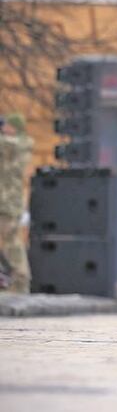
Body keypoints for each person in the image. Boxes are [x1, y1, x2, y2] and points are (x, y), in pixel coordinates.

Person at [0, 114, 33, 294]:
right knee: (11, 243)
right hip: (6, 204)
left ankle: (19, 283)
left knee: (12, 244)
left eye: (7, 125)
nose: (4, 128)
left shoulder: (18, 144)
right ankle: (14, 282)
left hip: (8, 205)